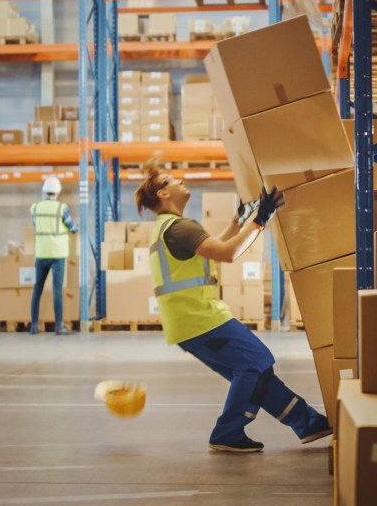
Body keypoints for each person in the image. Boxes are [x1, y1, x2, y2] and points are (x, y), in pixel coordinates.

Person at [135, 160, 332, 453]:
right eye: (171, 180)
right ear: (163, 194)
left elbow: (214, 244)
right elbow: (227, 253)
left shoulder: (169, 227)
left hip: (190, 322)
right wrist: (260, 219)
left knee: (255, 372)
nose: (180, 181)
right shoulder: (179, 228)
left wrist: (239, 220)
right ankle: (227, 432)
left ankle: (309, 423)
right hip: (200, 319)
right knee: (256, 361)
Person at [30, 176, 79, 335]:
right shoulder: (61, 208)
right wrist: (75, 228)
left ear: (44, 191)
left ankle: (34, 326)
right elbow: (72, 228)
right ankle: (59, 326)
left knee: (37, 289)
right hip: (57, 254)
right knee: (57, 290)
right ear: (58, 192)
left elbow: (36, 225)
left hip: (41, 253)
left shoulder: (35, 208)